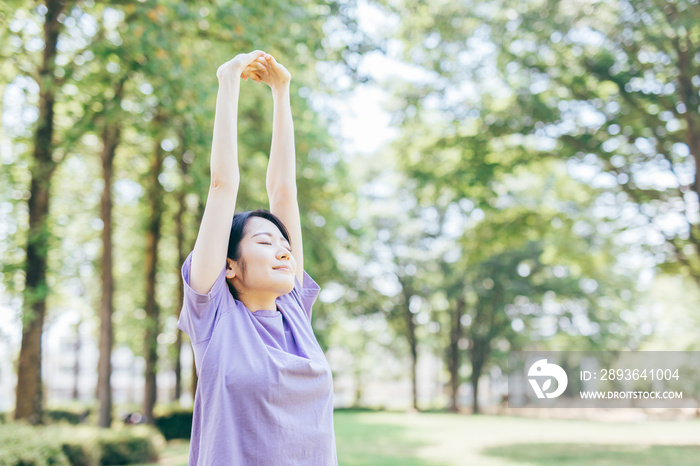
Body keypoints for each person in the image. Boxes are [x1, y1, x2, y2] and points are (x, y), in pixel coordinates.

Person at [178, 50, 337, 465]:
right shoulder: (214, 318)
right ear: (229, 265)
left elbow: (284, 191)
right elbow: (221, 185)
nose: (284, 250)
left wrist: (282, 92)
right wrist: (228, 80)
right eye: (265, 243)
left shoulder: (294, 311)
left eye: (284, 244)